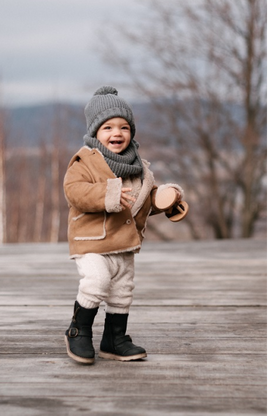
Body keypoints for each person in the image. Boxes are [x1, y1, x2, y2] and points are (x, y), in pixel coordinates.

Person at [63, 85, 186, 364]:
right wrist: (108, 194)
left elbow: (141, 201)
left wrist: (166, 200)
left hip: (124, 243)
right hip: (92, 241)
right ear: (94, 133)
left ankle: (114, 339)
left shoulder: (139, 168)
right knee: (97, 281)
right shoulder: (85, 162)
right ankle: (78, 330)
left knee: (122, 291)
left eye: (124, 127)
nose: (116, 133)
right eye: (107, 127)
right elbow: (75, 192)